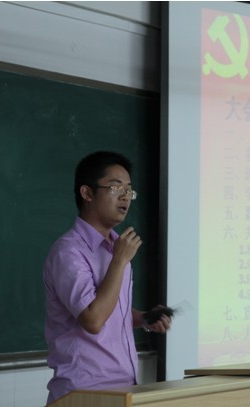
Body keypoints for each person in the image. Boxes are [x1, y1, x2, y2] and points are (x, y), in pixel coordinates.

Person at [43, 151, 171, 405]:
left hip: (122, 389)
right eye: (115, 187)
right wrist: (119, 261)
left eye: (129, 190)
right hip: (83, 393)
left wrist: (144, 318)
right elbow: (93, 319)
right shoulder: (69, 252)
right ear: (87, 193)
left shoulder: (115, 247)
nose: (125, 196)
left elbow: (111, 309)